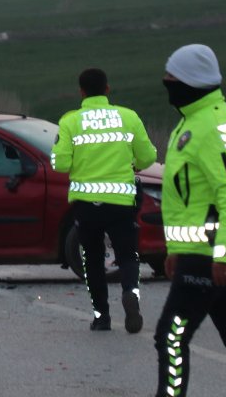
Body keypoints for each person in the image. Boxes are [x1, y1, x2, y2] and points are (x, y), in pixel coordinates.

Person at [152, 44, 226, 397]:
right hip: (198, 252)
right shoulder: (193, 122)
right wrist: (174, 250)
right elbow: (188, 199)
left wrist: (225, 255)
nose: (166, 83)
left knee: (170, 336)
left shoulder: (217, 127)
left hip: (211, 255)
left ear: (190, 81)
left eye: (171, 77)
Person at [50, 68, 156, 333]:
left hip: (86, 204)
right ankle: (131, 292)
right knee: (128, 256)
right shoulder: (128, 117)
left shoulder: (70, 121)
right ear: (108, 89)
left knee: (93, 260)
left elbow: (60, 164)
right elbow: (147, 158)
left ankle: (101, 317)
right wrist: (131, 161)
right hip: (121, 200)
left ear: (81, 92)